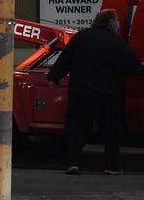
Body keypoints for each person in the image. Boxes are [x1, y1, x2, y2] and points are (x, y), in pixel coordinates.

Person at [48, 9, 142, 175]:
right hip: (109, 95)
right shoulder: (117, 43)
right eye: (116, 21)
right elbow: (133, 67)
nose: (118, 24)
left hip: (81, 92)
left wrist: (54, 77)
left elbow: (65, 59)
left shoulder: (81, 37)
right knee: (111, 131)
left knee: (77, 127)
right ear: (111, 22)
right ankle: (111, 166)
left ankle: (73, 162)